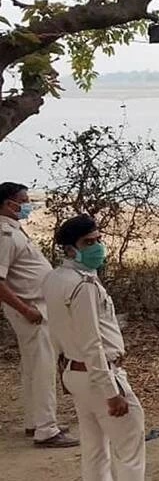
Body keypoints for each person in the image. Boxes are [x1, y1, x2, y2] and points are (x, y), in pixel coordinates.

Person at [43, 214, 159, 481]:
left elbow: (57, 331)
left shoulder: (55, 279)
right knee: (129, 452)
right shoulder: (82, 286)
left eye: (98, 240)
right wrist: (112, 391)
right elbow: (92, 343)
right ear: (70, 249)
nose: (97, 247)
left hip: (75, 372)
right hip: (100, 375)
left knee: (95, 449)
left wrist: (66, 370)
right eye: (88, 242)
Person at [0, 182, 78, 448]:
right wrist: (25, 309)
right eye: (23, 200)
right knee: (43, 367)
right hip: (30, 308)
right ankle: (47, 429)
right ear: (9, 203)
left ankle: (35, 421)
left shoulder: (13, 230)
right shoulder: (5, 235)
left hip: (36, 306)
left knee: (34, 366)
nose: (27, 205)